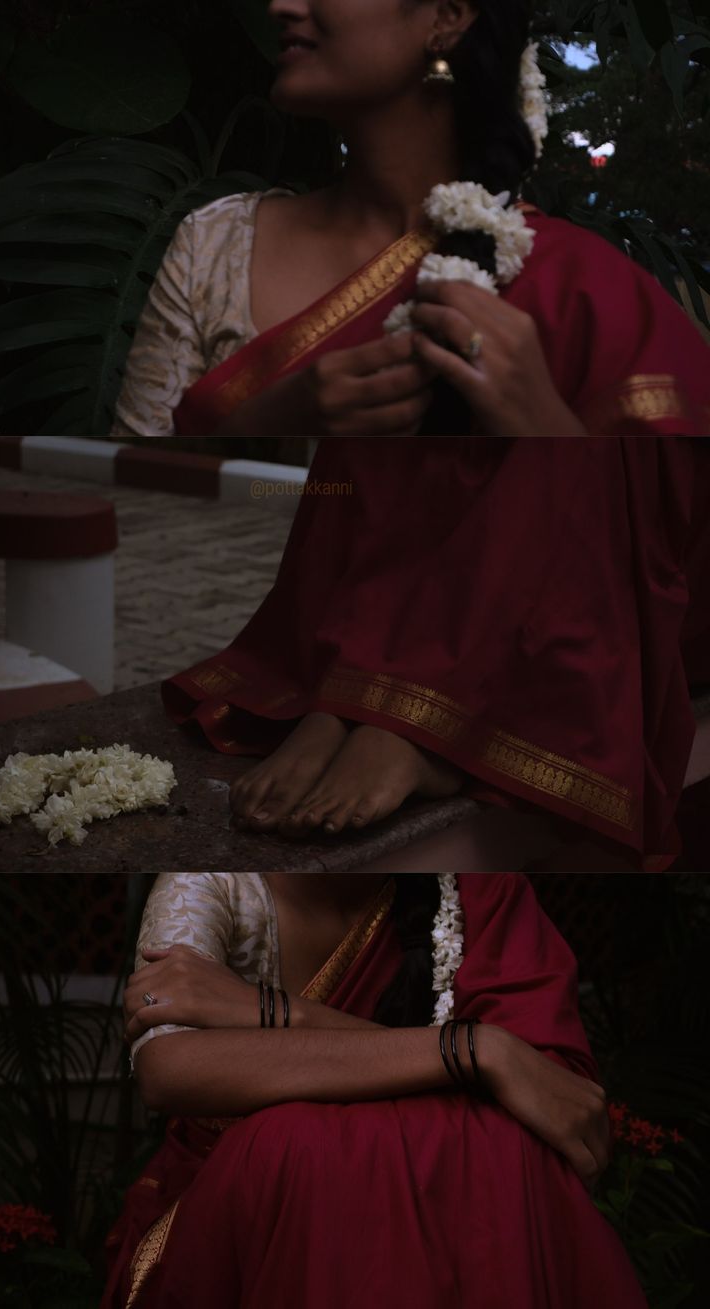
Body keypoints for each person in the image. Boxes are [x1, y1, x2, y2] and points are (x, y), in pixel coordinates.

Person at [116, 0, 710, 867]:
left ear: (445, 18)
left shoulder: (580, 281)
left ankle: (406, 710)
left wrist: (539, 415)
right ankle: (359, 691)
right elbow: (134, 468)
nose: (284, 2)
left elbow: (680, 508)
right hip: (336, 613)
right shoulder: (217, 245)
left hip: (595, 616)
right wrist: (278, 414)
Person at [101, 871, 650, 1309]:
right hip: (238, 1228)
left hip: (422, 1218)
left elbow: (553, 1112)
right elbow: (167, 1068)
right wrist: (476, 1053)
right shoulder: (211, 884)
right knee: (298, 1150)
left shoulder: (475, 889)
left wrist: (271, 1013)